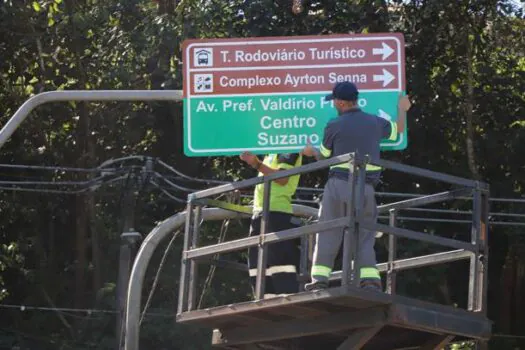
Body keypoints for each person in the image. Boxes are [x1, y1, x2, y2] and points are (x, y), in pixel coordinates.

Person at [301, 81, 411, 291]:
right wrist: (402, 109)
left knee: (328, 231)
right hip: (365, 188)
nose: (333, 104)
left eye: (334, 100)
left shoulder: (334, 125)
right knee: (365, 234)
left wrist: (310, 151)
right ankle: (370, 281)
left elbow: (324, 156)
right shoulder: (375, 122)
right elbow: (398, 131)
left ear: (341, 103)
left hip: (338, 185)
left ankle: (319, 281)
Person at [239, 152, 303, 298]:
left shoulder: (289, 147)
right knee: (257, 266)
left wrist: (256, 164)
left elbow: (282, 178)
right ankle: (264, 301)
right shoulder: (271, 152)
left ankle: (286, 301)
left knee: (279, 265)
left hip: (277, 214)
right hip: (261, 214)